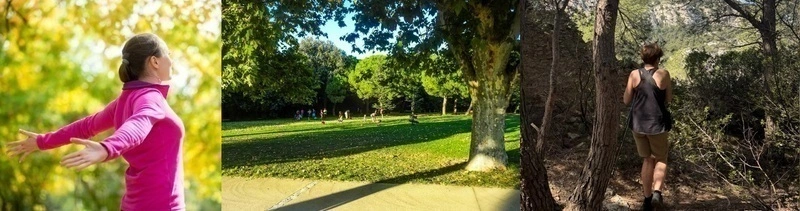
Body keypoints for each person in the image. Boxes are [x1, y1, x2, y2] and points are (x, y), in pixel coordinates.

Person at [6, 33, 185, 210]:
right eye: (168, 54)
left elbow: (86, 126)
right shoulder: (150, 97)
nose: (171, 60)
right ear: (155, 61)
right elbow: (138, 124)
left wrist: (42, 141)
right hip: (162, 206)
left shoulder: (126, 100)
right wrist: (108, 147)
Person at [623, 43, 673, 211]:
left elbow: (626, 100)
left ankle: (646, 199)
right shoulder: (664, 74)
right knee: (660, 158)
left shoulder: (634, 74)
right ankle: (657, 193)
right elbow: (669, 99)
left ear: (643, 58)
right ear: (658, 58)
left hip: (638, 124)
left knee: (647, 159)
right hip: (657, 124)